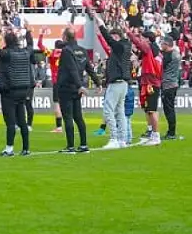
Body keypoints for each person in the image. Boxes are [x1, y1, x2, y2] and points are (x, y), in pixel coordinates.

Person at [0, 27, 39, 157]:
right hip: (23, 91)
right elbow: (31, 45)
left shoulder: (7, 54)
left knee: (10, 122)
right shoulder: (25, 52)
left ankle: (9, 149)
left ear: (7, 42)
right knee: (22, 121)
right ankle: (26, 149)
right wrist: (29, 31)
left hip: (9, 91)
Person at [91, 10, 131, 149]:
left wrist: (98, 20)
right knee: (120, 112)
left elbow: (107, 37)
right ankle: (122, 139)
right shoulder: (126, 46)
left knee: (109, 111)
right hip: (123, 84)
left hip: (116, 83)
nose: (112, 39)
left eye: (114, 36)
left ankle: (114, 138)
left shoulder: (119, 47)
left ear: (117, 36)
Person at [55, 27, 96, 153]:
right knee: (78, 117)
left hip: (67, 87)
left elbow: (72, 69)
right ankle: (84, 145)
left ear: (65, 37)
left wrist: (80, 86)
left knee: (68, 117)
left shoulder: (67, 51)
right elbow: (89, 68)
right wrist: (97, 81)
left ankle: (71, 146)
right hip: (76, 88)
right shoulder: (82, 50)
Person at [129, 29, 162, 146]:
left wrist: (128, 32)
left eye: (143, 38)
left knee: (152, 111)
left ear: (147, 40)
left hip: (151, 84)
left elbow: (138, 43)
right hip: (148, 83)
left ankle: (156, 136)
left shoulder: (149, 49)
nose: (141, 40)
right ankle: (153, 134)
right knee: (148, 110)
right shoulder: (150, 52)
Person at [37, 30, 64, 133]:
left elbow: (40, 45)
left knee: (57, 104)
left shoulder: (52, 53)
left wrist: (41, 34)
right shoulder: (67, 52)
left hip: (56, 82)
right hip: (66, 81)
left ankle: (59, 127)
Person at [160, 36, 180, 140]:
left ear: (167, 45)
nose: (161, 46)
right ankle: (171, 132)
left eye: (162, 44)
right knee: (170, 108)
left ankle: (171, 133)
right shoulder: (176, 53)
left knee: (168, 109)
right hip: (173, 84)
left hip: (168, 85)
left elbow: (161, 66)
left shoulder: (168, 55)